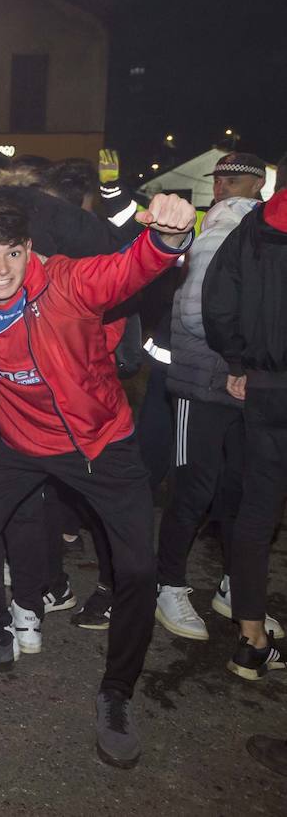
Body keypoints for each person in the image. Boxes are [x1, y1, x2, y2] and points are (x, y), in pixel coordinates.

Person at [0, 193, 196, 769]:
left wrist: (170, 236)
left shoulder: (69, 283)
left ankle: (117, 695)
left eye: (12, 254)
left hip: (97, 444)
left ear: (30, 252)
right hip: (14, 448)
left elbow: (134, 264)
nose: (0, 269)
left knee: (137, 569)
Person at [157, 195, 259, 641]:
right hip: (203, 386)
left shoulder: (262, 233)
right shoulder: (223, 233)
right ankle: (168, 584)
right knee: (193, 488)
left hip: (246, 389)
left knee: (240, 489)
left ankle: (235, 588)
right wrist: (244, 358)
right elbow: (199, 313)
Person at [203, 186, 287, 680]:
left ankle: (251, 638)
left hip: (264, 387)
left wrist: (238, 359)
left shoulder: (252, 229)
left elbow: (217, 303)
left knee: (258, 509)